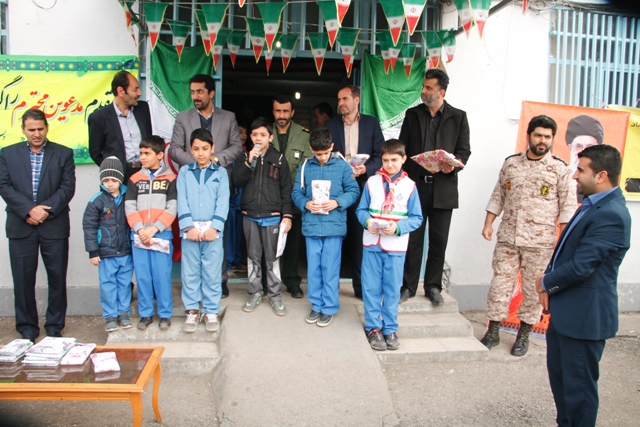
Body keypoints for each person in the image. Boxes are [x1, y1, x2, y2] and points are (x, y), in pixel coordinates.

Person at [535, 144, 631, 427]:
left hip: (585, 319)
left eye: (581, 170)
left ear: (601, 175)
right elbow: (567, 252)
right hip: (567, 316)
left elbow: (582, 266)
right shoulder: (592, 204)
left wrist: (544, 282)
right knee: (564, 388)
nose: (574, 176)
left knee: (580, 393)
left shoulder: (611, 214)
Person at [480, 116, 577, 356]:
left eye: (547, 137)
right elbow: (498, 195)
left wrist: (563, 240)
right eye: (538, 135)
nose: (542, 141)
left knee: (534, 290)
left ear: (552, 139)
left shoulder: (560, 169)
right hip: (508, 238)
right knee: (500, 284)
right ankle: (493, 329)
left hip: (540, 241)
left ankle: (524, 333)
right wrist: (489, 223)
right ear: (529, 136)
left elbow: (567, 207)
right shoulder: (511, 164)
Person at [0, 109, 76, 342]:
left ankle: (54, 326)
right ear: (23, 129)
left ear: (47, 128)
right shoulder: (7, 154)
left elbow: (67, 188)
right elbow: (4, 186)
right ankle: (27, 328)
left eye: (40, 129)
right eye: (31, 129)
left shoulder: (63, 153)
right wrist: (28, 210)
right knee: (22, 279)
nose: (36, 134)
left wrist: (43, 211)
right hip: (21, 225)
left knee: (57, 277)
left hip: (53, 225)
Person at [399, 69, 471, 306]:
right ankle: (408, 286)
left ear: (441, 92)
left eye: (429, 88)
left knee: (439, 241)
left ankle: (432, 287)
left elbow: (464, 151)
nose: (424, 91)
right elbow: (403, 149)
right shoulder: (412, 115)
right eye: (424, 86)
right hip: (416, 187)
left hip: (443, 189)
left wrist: (454, 166)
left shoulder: (458, 117)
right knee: (414, 239)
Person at [169, 73, 242, 298]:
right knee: (191, 232)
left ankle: (219, 281)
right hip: (191, 181)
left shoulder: (228, 117)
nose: (195, 96)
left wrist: (214, 160)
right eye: (192, 92)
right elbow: (174, 149)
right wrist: (200, 161)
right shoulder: (183, 117)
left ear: (211, 93)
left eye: (200, 91)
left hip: (218, 182)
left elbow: (236, 147)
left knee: (218, 231)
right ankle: (194, 285)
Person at [356, 139, 422, 350]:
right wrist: (367, 222)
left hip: (395, 246)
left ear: (403, 159)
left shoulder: (410, 186)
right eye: (385, 160)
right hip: (372, 244)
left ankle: (390, 328)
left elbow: (416, 218)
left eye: (394, 160)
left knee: (392, 288)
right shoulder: (371, 182)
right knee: (371, 286)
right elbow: (361, 210)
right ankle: (374, 327)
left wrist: (398, 228)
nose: (390, 164)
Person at [291, 128, 360, 327]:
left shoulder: (343, 166)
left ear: (331, 147)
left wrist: (338, 202)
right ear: (311, 149)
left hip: (334, 228)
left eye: (324, 153)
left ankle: (329, 307)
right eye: (317, 154)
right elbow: (296, 192)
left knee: (330, 268)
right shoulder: (305, 166)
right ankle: (316, 305)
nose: (321, 158)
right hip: (312, 226)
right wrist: (305, 203)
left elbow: (354, 190)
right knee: (314, 269)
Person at [325, 85, 384, 298]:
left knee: (361, 238)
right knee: (335, 237)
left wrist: (365, 169)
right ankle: (331, 287)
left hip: (363, 185)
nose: (341, 103)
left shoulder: (371, 123)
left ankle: (359, 288)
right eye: (339, 99)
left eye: (345, 98)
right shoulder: (330, 125)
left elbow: (380, 155)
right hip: (338, 188)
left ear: (356, 100)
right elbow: (325, 154)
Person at [231, 117, 293, 316]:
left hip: (273, 216)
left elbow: (286, 189)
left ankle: (275, 296)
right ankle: (255, 292)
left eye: (263, 135)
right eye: (255, 135)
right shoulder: (244, 157)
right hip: (250, 215)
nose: (259, 138)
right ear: (250, 136)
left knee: (272, 258)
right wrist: (249, 161)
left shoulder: (280, 159)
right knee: (253, 257)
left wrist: (288, 215)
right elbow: (237, 182)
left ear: (270, 137)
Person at [177, 129, 229, 333]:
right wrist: (188, 226)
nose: (201, 153)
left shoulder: (220, 173)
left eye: (205, 149)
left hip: (212, 232)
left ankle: (210, 310)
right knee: (189, 271)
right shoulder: (184, 172)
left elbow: (223, 202)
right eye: (196, 149)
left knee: (212, 271)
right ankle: (191, 310)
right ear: (191, 149)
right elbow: (182, 200)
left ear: (212, 149)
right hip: (190, 231)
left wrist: (215, 227)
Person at [125, 135, 177, 331]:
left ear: (160, 155)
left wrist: (154, 228)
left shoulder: (170, 179)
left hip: (161, 234)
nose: (142, 157)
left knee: (162, 275)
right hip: (139, 236)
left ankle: (165, 314)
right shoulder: (135, 179)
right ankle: (145, 314)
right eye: (141, 153)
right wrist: (140, 229)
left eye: (147, 153)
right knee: (143, 276)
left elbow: (172, 208)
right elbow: (129, 207)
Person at [82, 157, 133, 332]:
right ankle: (110, 316)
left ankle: (124, 314)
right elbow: (89, 227)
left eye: (114, 180)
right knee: (108, 285)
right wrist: (92, 251)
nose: (110, 184)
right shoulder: (96, 201)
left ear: (120, 179)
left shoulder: (128, 196)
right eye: (106, 180)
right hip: (105, 253)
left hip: (125, 251)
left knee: (124, 284)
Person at [272, 94, 313, 298]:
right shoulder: (265, 132)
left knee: (292, 243)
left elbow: (305, 168)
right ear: (273, 112)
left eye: (285, 111)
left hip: (294, 197)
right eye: (278, 111)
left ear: (292, 112)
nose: (282, 115)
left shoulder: (304, 135)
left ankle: (291, 281)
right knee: (269, 243)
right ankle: (268, 281)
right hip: (269, 197)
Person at [88, 70, 153, 182]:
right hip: (120, 176)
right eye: (135, 89)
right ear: (121, 91)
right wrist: (112, 170)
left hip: (145, 172)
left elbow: (149, 139)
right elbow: (95, 153)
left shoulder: (143, 109)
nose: (140, 93)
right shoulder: (99, 117)